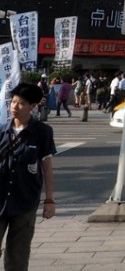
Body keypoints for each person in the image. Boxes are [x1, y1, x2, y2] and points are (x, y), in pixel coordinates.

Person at [0, 82, 56, 271]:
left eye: (21, 103)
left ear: (33, 106)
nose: (15, 107)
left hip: (25, 202)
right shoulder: (1, 130)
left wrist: (49, 200)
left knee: (18, 254)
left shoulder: (42, 132)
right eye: (13, 102)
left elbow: (47, 166)